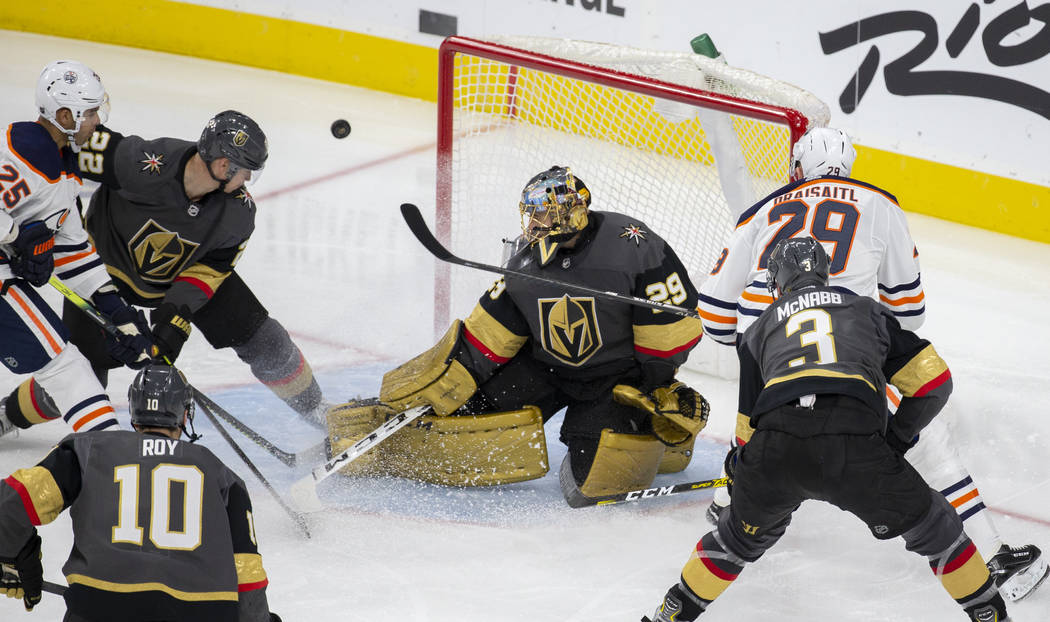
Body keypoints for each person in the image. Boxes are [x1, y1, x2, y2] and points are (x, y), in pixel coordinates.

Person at [696, 127, 1046, 601]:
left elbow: (714, 314)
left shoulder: (762, 210)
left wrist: (763, 337)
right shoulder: (880, 203)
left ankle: (731, 505)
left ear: (797, 169)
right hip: (844, 347)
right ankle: (995, 561)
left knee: (761, 434)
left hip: (765, 347)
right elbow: (909, 312)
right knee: (930, 443)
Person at [644, 237, 1008, 621]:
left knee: (733, 543)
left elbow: (746, 431)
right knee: (937, 528)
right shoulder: (868, 311)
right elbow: (935, 383)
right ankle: (991, 616)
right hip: (855, 444)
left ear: (778, 283)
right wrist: (894, 440)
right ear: (825, 273)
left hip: (776, 448)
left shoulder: (758, 331)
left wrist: (740, 473)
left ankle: (667, 616)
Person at [326, 166, 708, 505]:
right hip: (545, 368)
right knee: (463, 422)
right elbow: (488, 335)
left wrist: (654, 382)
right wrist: (446, 383)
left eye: (544, 211)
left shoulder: (632, 244)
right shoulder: (526, 258)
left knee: (594, 486)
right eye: (532, 213)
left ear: (573, 210)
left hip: (614, 377)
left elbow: (671, 326)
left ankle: (662, 436)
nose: (535, 222)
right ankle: (387, 435)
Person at [9, 108, 329, 427]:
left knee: (265, 340)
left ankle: (322, 415)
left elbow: (208, 272)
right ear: (222, 165)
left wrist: (173, 321)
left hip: (179, 275)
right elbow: (60, 153)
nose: (247, 181)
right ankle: (6, 415)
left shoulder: (238, 213)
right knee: (83, 377)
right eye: (246, 172)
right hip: (102, 274)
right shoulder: (141, 161)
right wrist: (44, 226)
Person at [0, 363, 280, 621]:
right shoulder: (224, 477)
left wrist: (14, 557)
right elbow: (248, 578)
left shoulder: (87, 450)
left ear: (134, 412)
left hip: (101, 610)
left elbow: (12, 502)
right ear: (184, 414)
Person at [0, 60, 153, 439]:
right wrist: (16, 235)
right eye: (90, 112)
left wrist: (116, 309)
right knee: (65, 364)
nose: (97, 121)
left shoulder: (64, 167)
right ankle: (109, 456)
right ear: (64, 115)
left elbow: (73, 249)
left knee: (64, 361)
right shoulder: (21, 155)